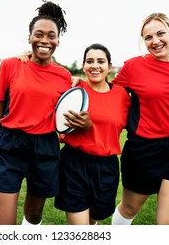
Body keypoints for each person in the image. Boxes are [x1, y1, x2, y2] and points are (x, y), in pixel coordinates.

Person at [0, 1, 71, 225]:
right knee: (4, 225)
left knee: (33, 216)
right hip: (9, 146)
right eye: (38, 34)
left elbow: (64, 118)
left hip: (45, 148)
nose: (44, 40)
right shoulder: (10, 65)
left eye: (51, 36)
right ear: (29, 37)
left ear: (58, 40)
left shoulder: (64, 76)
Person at [111, 13, 169, 225]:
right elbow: (106, 93)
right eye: (148, 37)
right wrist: (79, 81)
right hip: (144, 151)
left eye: (161, 33)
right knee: (129, 209)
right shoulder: (133, 67)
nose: (155, 41)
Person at [54, 43, 131, 225]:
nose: (95, 65)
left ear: (109, 66)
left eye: (101, 61)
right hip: (73, 164)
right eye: (90, 61)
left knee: (92, 222)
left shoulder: (122, 95)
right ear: (83, 65)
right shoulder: (74, 90)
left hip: (106, 168)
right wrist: (25, 54)